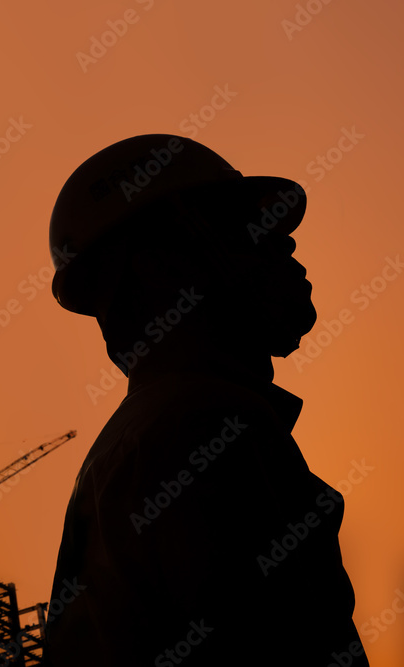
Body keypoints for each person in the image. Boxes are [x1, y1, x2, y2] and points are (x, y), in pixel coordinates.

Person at [42, 135, 368, 666]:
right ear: (160, 266)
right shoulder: (203, 426)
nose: (283, 245)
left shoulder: (156, 431)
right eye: (248, 230)